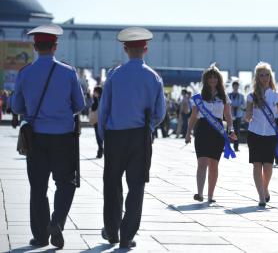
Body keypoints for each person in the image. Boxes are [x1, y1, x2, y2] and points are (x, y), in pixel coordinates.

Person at [12, 24, 85, 248]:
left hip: (36, 138)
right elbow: (79, 105)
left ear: (35, 47)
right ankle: (57, 222)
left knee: (38, 187)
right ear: (55, 46)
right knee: (66, 182)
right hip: (63, 138)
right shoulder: (68, 72)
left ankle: (41, 236)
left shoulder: (25, 73)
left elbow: (16, 107)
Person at [98, 27, 166, 248]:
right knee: (136, 185)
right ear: (145, 49)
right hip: (140, 136)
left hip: (115, 136)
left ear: (125, 49)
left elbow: (104, 109)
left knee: (111, 184)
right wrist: (148, 127)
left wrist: (103, 135)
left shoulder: (114, 75)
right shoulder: (154, 77)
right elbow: (160, 113)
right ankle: (127, 235)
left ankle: (111, 231)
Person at [185, 64, 236, 203]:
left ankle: (210, 195)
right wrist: (188, 132)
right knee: (202, 162)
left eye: (215, 77)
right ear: (206, 80)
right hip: (202, 129)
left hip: (217, 131)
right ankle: (200, 193)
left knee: (214, 164)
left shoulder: (224, 97)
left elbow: (228, 115)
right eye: (210, 77)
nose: (213, 80)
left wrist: (231, 130)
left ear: (219, 79)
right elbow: (193, 116)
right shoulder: (199, 97)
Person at [244, 62, 278, 207]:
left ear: (271, 76)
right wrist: (247, 116)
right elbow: (248, 113)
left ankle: (265, 188)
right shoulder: (251, 96)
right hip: (254, 133)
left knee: (268, 166)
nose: (264, 78)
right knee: (257, 164)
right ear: (257, 77)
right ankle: (261, 197)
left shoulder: (276, 95)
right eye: (261, 75)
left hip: (270, 134)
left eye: (267, 75)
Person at [228, 81, 245, 151]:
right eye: (234, 86)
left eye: (237, 86)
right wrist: (230, 106)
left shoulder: (241, 96)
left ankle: (236, 147)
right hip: (230, 115)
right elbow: (226, 104)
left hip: (238, 115)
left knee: (237, 131)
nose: (235, 87)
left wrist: (239, 106)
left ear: (238, 87)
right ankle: (228, 146)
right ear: (232, 86)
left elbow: (244, 105)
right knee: (229, 130)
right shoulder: (229, 95)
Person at [89, 86, 103, 158]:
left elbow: (94, 108)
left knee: (99, 137)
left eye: (94, 91)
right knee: (98, 137)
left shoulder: (100, 100)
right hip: (97, 121)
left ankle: (100, 150)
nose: (93, 93)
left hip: (98, 121)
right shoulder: (97, 99)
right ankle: (100, 149)